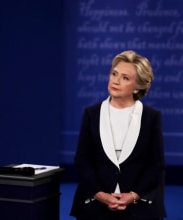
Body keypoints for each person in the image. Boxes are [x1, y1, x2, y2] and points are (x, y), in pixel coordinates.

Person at [69, 50, 166, 220]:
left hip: (138, 209)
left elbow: (156, 165)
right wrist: (100, 194)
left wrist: (133, 196)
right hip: (95, 206)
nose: (116, 80)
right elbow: (82, 161)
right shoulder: (91, 113)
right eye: (114, 74)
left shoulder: (151, 117)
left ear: (137, 87)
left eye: (125, 78)